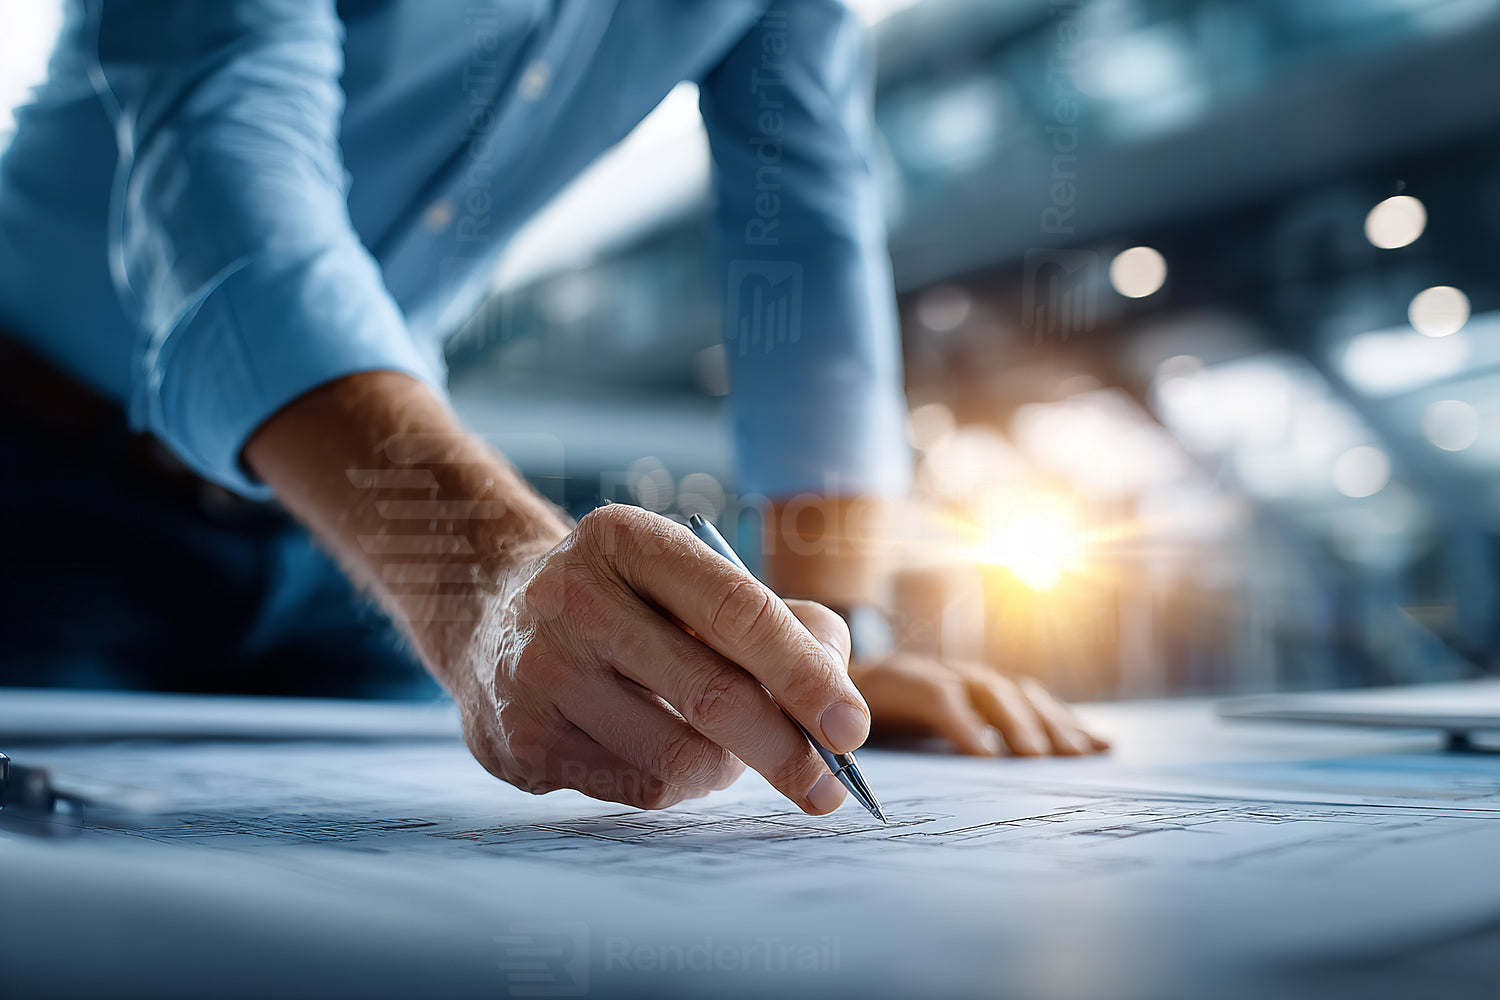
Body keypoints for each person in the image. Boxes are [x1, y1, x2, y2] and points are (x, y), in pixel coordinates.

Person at [0, 0, 1105, 816]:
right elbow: (219, 165)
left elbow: (801, 232)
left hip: (344, 536)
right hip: (40, 481)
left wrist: (834, 640)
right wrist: (480, 575)